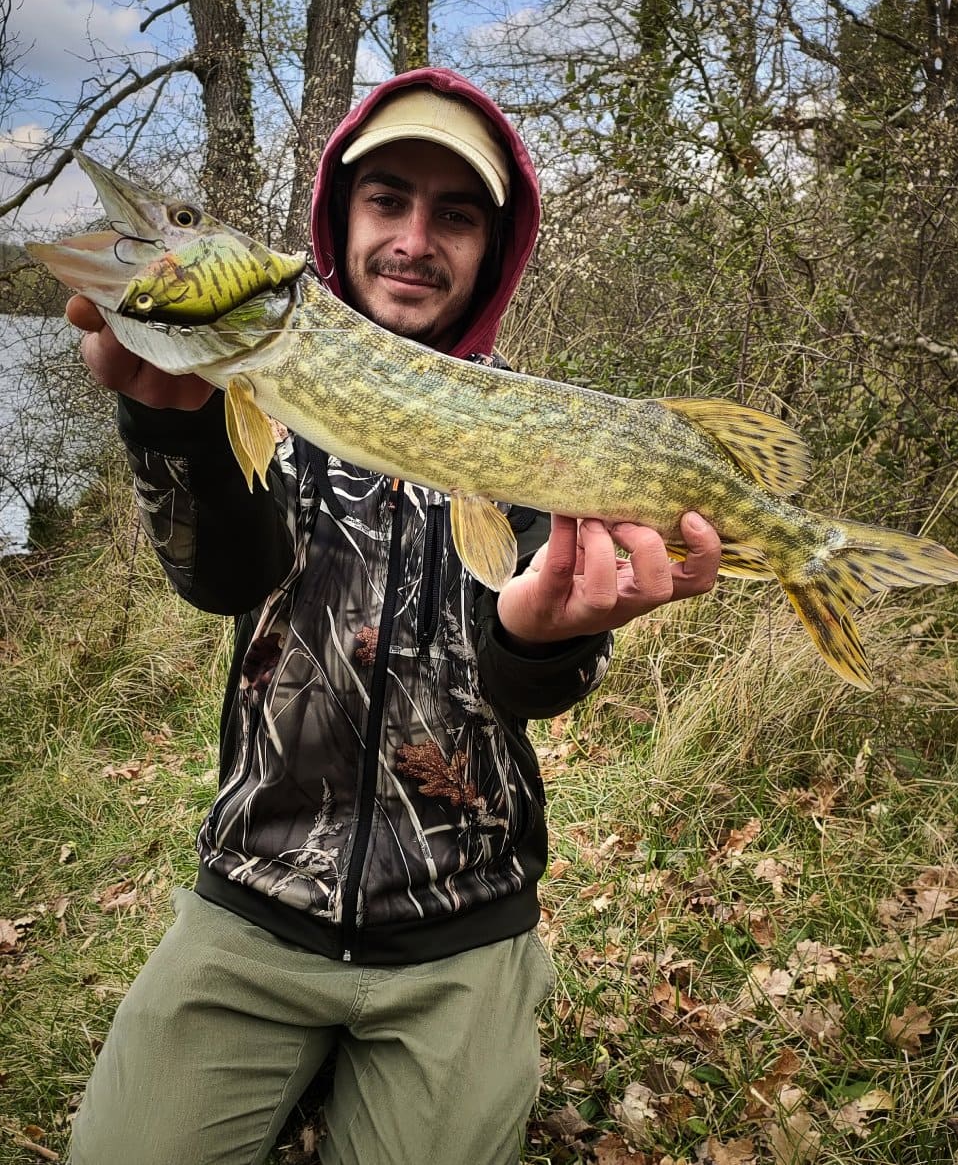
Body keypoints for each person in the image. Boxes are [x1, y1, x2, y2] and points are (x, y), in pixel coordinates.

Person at [65, 67, 721, 1165]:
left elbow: (533, 687)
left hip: (458, 917)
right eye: (387, 200)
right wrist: (168, 425)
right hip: (257, 896)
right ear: (339, 217)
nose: (415, 239)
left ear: (492, 248)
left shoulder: (530, 429)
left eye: (454, 214)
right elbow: (222, 575)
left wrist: (541, 637)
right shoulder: (263, 398)